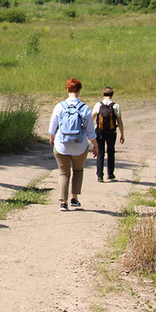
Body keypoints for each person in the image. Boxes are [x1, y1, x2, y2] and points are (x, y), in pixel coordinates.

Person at [48, 78, 98, 212]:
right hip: (79, 146)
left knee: (64, 173)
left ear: (67, 89)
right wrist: (95, 145)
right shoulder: (85, 108)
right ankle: (74, 198)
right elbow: (90, 130)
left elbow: (53, 126)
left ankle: (63, 202)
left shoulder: (60, 106)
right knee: (78, 170)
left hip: (62, 144)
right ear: (79, 90)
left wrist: (52, 138)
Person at [92, 86, 125, 182]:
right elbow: (119, 121)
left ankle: (100, 175)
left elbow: (92, 117)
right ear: (112, 95)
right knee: (111, 152)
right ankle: (110, 174)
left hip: (99, 131)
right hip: (111, 132)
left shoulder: (98, 105)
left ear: (103, 94)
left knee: (100, 152)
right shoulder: (115, 106)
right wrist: (122, 134)